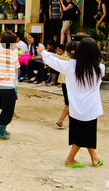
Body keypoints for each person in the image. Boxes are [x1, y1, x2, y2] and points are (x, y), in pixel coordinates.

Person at [38, 37, 105, 168]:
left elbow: (54, 62)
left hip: (76, 108)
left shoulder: (70, 66)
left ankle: (94, 158)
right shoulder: (100, 68)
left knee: (83, 134)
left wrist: (43, 52)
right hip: (90, 109)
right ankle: (71, 159)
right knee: (85, 134)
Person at [55, 41, 78, 129]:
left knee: (68, 102)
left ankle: (69, 121)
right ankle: (61, 120)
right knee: (69, 103)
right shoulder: (75, 59)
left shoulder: (67, 58)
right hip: (68, 82)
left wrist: (45, 54)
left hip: (65, 82)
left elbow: (56, 58)